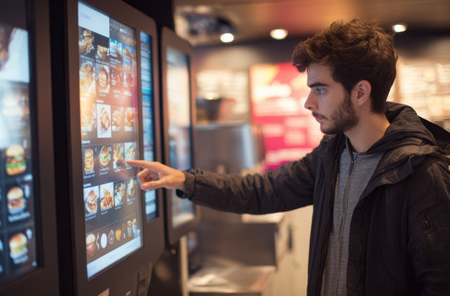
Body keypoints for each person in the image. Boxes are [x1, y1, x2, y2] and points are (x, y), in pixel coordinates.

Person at [127, 19, 450, 296]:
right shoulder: (332, 155)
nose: (308, 102)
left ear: (360, 93)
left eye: (320, 89)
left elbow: (438, 282)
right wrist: (185, 180)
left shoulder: (421, 172)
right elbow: (263, 191)